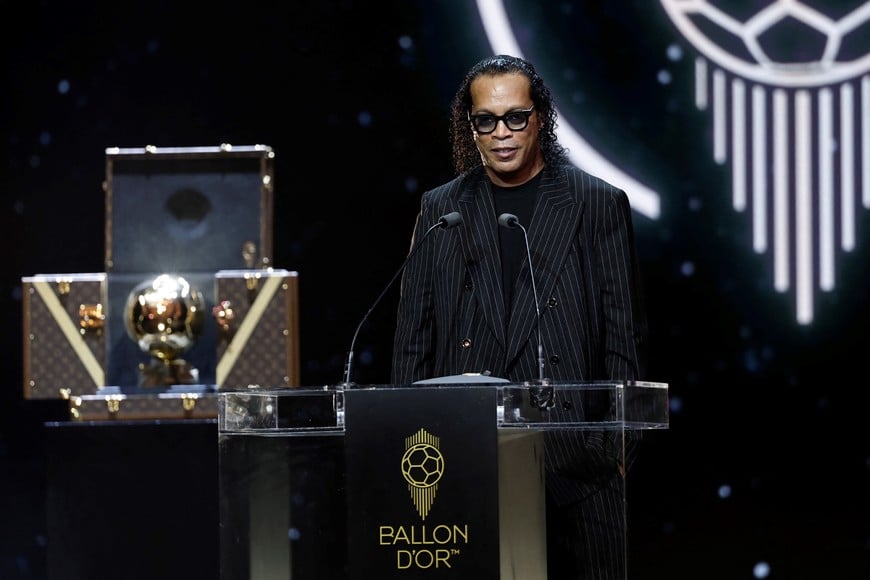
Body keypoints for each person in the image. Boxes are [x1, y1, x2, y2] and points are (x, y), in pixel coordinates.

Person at [391, 54, 649, 579]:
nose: (502, 132)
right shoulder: (442, 209)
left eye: (516, 117)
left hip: (580, 469)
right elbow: (411, 343)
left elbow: (624, 335)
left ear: (540, 118)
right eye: (486, 119)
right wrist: (414, 447)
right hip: (467, 458)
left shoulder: (596, 203)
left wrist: (613, 448)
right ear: (471, 127)